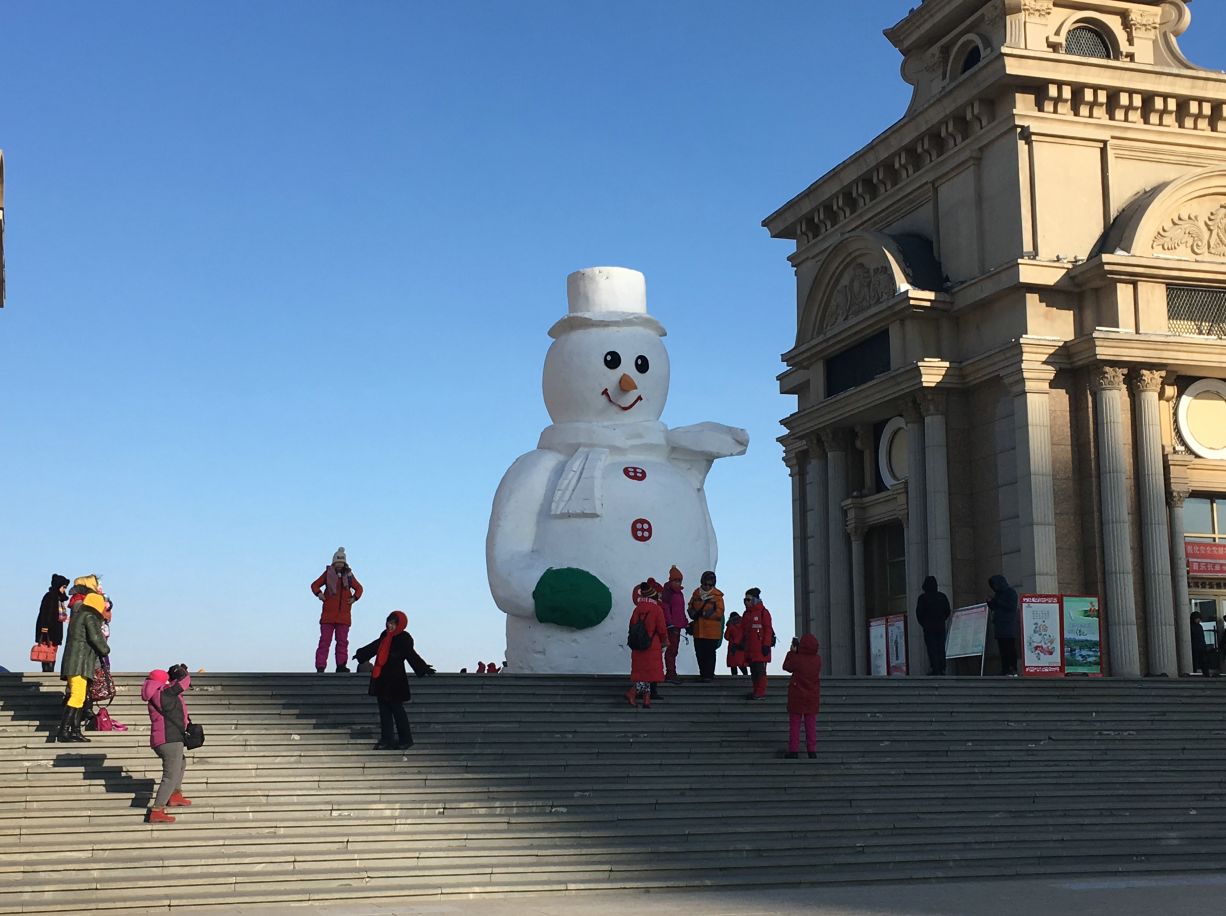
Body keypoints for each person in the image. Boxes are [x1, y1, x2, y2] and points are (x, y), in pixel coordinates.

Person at [354, 611, 435, 750]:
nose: (390, 626)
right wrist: (361, 654)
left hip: (395, 679)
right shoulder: (385, 636)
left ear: (400, 624)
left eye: (393, 623)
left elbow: (411, 655)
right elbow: (374, 646)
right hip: (381, 678)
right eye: (388, 622)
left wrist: (423, 668)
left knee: (397, 711)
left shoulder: (404, 638)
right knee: (384, 711)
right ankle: (387, 740)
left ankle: (406, 739)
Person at [57, 575, 110, 743]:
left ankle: (74, 731)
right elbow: (96, 638)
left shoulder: (81, 614)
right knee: (77, 696)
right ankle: (65, 731)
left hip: (77, 661)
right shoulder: (89, 616)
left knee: (80, 696)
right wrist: (105, 650)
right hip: (79, 662)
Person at [142, 664, 193, 824]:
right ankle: (157, 810)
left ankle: (175, 795)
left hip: (166, 738)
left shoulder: (157, 693)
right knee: (170, 775)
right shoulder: (162, 694)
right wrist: (181, 672)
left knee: (181, 763)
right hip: (169, 739)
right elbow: (184, 682)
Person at [310, 547, 364, 673]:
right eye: (337, 563)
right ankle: (320, 666)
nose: (339, 565)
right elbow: (314, 585)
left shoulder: (349, 576)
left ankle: (341, 665)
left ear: (344, 563)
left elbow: (359, 588)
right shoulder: (327, 574)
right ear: (334, 563)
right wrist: (319, 594)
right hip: (328, 616)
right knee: (325, 642)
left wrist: (354, 598)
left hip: (343, 617)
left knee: (342, 642)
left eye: (341, 563)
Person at [626, 580, 667, 708]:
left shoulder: (637, 610)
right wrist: (665, 641)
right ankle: (632, 692)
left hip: (638, 644)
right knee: (649, 674)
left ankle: (646, 700)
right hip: (652, 644)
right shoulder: (656, 609)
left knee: (644, 673)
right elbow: (661, 628)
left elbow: (631, 625)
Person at [783, 634, 822, 759]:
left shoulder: (798, 659)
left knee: (795, 724)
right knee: (811, 724)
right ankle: (812, 750)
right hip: (812, 695)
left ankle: (793, 750)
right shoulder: (818, 660)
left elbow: (787, 666)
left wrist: (792, 652)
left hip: (797, 695)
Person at [688, 570, 725, 681]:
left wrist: (708, 615)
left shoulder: (717, 596)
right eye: (705, 584)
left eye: (710, 584)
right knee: (699, 653)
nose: (708, 586)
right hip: (698, 630)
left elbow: (720, 612)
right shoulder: (696, 594)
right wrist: (691, 612)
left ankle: (709, 675)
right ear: (702, 582)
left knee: (709, 654)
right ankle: (703, 674)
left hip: (712, 632)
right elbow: (690, 606)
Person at [915, 576, 953, 676]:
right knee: (940, 647)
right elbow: (947, 611)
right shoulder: (942, 596)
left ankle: (935, 668)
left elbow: (919, 613)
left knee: (931, 648)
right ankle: (942, 668)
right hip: (940, 626)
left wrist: (924, 623)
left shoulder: (923, 598)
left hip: (928, 627)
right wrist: (941, 619)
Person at [742, 588, 775, 700]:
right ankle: (756, 691)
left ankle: (760, 692)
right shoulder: (746, 614)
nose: (746, 602)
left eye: (748, 599)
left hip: (760, 649)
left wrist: (766, 645)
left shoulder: (763, 613)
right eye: (744, 600)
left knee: (760, 672)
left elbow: (768, 630)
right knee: (754, 672)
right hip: (750, 649)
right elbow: (743, 631)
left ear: (755, 600)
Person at [34, 574, 70, 672]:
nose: (64, 590)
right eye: (63, 587)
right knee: (46, 653)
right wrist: (44, 628)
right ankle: (47, 672)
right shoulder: (50, 597)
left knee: (52, 652)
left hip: (55, 631)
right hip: (48, 631)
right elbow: (44, 613)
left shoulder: (59, 600)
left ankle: (50, 671)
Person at [660, 566, 688, 684]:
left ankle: (672, 672)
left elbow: (681, 610)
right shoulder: (668, 593)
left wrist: (685, 622)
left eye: (679, 581)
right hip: (672, 627)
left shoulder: (678, 593)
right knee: (671, 650)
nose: (678, 583)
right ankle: (671, 673)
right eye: (676, 580)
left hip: (677, 625)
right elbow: (666, 609)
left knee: (674, 650)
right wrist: (670, 623)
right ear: (671, 580)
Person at [988, 575, 1020, 676]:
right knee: (1002, 649)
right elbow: (995, 607)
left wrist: (997, 602)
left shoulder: (1011, 592)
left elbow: (1011, 607)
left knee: (1010, 648)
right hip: (999, 624)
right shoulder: (998, 594)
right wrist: (990, 603)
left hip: (1008, 624)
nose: (995, 587)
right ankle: (1005, 669)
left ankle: (1013, 668)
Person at [724, 611, 748, 676]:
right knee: (742, 664)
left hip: (733, 647)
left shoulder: (730, 625)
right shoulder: (744, 624)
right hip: (742, 646)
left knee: (733, 664)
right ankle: (746, 678)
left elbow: (726, 636)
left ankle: (734, 680)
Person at [1190, 611, 1213, 677]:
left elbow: (1202, 638)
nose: (1199, 620)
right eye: (1198, 618)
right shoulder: (1192, 626)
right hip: (1195, 648)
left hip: (1201, 647)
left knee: (1204, 662)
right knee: (1195, 662)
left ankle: (1206, 674)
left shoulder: (1199, 626)